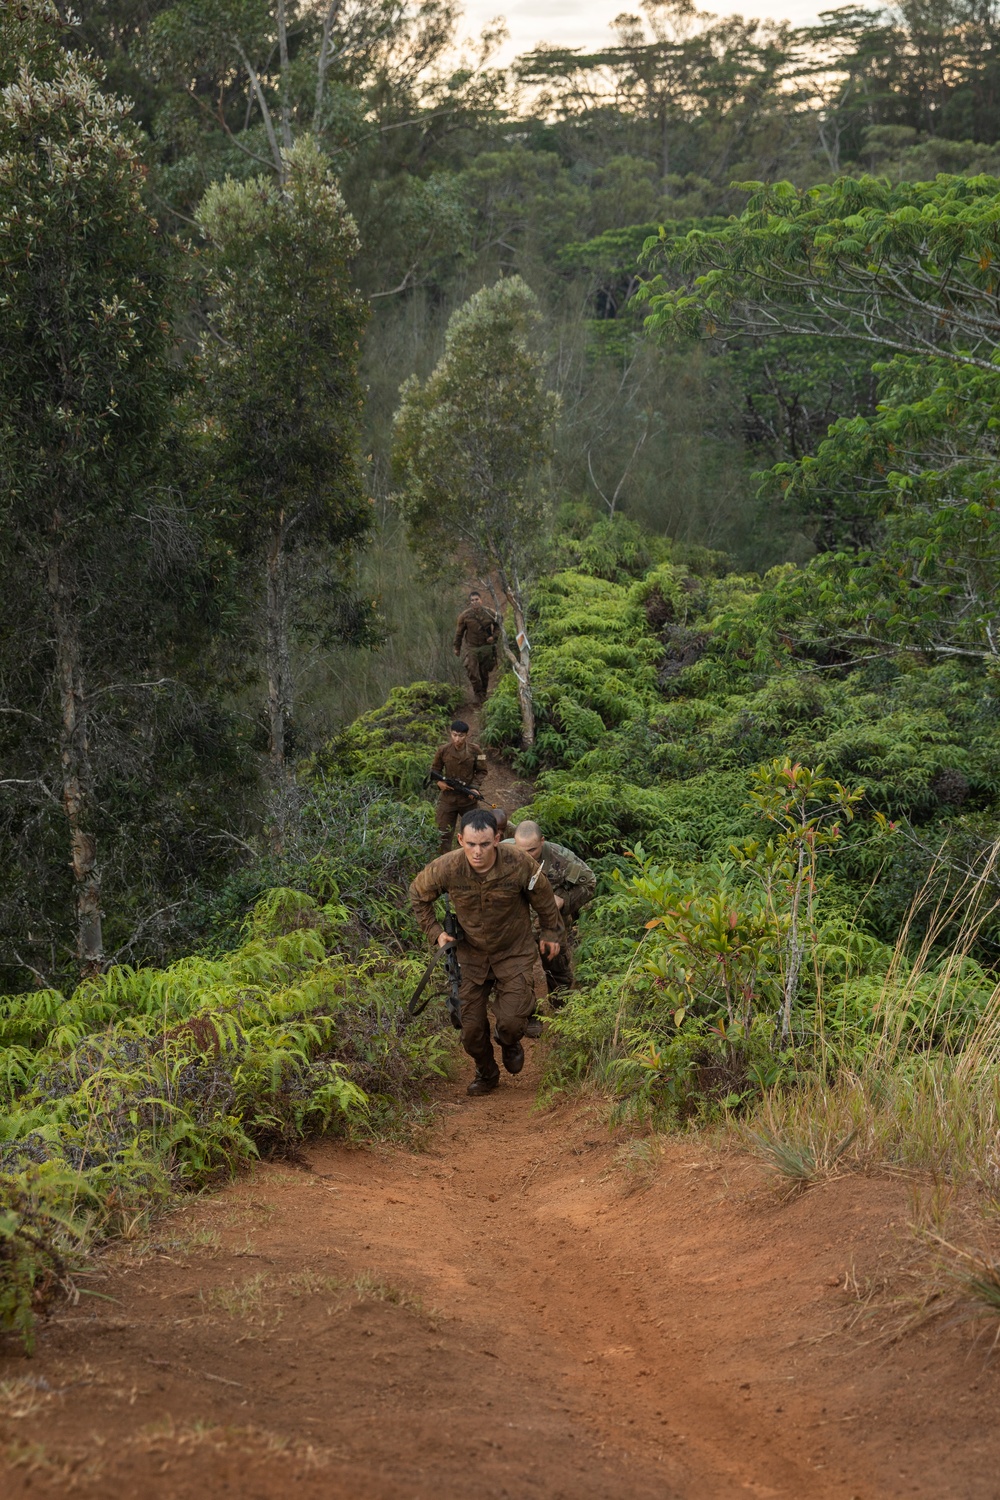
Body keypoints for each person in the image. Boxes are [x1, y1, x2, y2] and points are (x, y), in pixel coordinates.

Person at [409, 808, 562, 1096]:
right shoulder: (448, 867)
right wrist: (436, 933)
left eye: (484, 844)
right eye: (470, 844)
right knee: (471, 1032)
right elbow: (418, 894)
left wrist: (551, 932)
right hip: (471, 956)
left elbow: (543, 896)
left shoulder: (518, 862)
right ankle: (487, 1072)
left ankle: (509, 1040)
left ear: (497, 839)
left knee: (512, 1021)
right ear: (460, 840)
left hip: (513, 952)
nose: (477, 852)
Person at [508, 821, 596, 999]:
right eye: (521, 850)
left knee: (556, 966)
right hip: (516, 923)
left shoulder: (561, 858)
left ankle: (560, 1009)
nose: (527, 856)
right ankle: (528, 1014)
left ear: (542, 841)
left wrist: (563, 900)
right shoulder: (502, 853)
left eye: (532, 850)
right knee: (517, 970)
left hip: (551, 923)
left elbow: (590, 882)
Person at [430, 719, 488, 857]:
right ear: (450, 734)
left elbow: (482, 771)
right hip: (448, 799)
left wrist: (474, 788)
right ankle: (443, 863)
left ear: (467, 735)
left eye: (461, 736)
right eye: (454, 735)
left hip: (467, 799)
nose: (457, 739)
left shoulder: (476, 751)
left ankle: (473, 857)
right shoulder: (443, 751)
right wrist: (440, 783)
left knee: (477, 830)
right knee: (442, 834)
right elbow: (435, 770)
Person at [454, 589, 499, 704]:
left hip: (485, 647)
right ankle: (478, 694)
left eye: (476, 600)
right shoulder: (465, 616)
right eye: (472, 600)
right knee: (472, 672)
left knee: (484, 672)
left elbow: (498, 626)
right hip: (472, 647)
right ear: (470, 602)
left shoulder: (490, 613)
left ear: (481, 600)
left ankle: (483, 693)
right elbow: (459, 633)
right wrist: (457, 647)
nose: (474, 602)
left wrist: (493, 637)